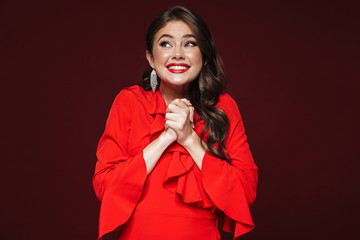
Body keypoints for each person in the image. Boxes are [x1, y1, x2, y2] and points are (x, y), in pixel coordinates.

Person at [93, 6, 258, 240]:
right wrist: (166, 137)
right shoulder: (129, 102)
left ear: (204, 54)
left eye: (190, 43)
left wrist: (189, 139)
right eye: (166, 44)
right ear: (150, 57)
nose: (178, 53)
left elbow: (244, 191)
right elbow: (106, 187)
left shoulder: (224, 107)